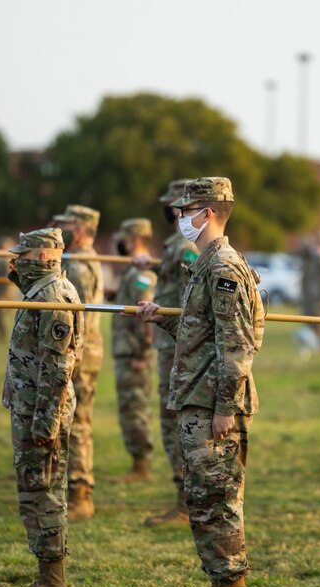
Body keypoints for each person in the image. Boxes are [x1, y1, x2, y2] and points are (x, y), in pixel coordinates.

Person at [135, 177, 264, 587]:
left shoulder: (223, 267)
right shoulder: (207, 264)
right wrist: (161, 320)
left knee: (219, 497)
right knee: (205, 497)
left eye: (184, 211)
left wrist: (225, 408)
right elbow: (201, 333)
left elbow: (236, 345)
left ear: (207, 213)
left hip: (213, 404)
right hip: (199, 398)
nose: (178, 218)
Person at [0, 228, 85, 587]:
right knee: (35, 490)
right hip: (32, 408)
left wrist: (46, 424)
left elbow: (58, 367)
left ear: (44, 258)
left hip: (42, 412)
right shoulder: (42, 290)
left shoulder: (53, 296)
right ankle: (47, 577)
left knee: (45, 491)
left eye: (23, 257)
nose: (16, 262)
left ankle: (52, 583)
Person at [144, 179, 199, 527]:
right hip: (169, 341)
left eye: (174, 205)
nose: (170, 211)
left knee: (177, 422)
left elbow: (189, 297)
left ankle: (186, 502)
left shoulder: (187, 247)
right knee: (170, 422)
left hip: (178, 343)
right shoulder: (177, 245)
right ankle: (183, 497)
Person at [54, 205, 104, 521]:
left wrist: (74, 355)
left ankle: (81, 494)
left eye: (68, 224)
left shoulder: (82, 265)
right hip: (83, 350)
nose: (63, 229)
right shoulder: (81, 258)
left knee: (78, 423)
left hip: (81, 352)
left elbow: (79, 315)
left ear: (82, 228)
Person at [111, 218, 158, 482]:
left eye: (125, 238)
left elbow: (146, 314)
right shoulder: (132, 271)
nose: (121, 243)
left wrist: (142, 353)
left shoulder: (143, 274)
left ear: (135, 240)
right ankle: (137, 462)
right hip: (125, 351)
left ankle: (142, 465)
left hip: (134, 354)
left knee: (135, 408)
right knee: (128, 408)